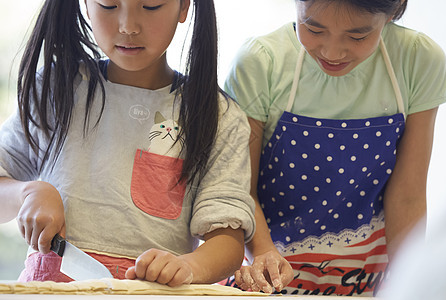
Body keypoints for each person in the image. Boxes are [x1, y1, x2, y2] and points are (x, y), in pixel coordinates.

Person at [0, 0, 255, 286]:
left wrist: (187, 266)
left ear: (184, 8)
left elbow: (228, 242)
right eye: (108, 5)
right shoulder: (55, 89)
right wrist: (27, 193)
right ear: (85, 5)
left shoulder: (218, 116)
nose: (128, 26)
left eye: (151, 6)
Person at [224, 0, 446, 296]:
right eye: (313, 28)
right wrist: (264, 251)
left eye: (357, 36)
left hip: (366, 275)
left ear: (391, 13)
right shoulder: (262, 62)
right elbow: (239, 189)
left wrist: (407, 279)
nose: (332, 52)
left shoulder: (417, 59)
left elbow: (407, 196)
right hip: (265, 271)